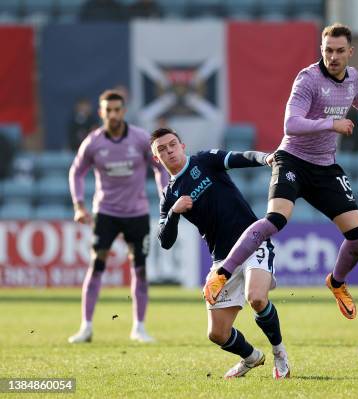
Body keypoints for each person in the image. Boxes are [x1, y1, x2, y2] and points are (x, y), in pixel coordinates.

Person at [204, 23, 358, 319]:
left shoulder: (352, 77)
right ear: (321, 50)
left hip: (325, 167)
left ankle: (336, 282)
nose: (333, 56)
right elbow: (291, 124)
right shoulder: (308, 80)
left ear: (350, 52)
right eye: (328, 50)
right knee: (275, 220)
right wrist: (331, 123)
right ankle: (222, 274)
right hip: (292, 160)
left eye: (340, 51)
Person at [150, 128, 290, 379]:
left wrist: (266, 158)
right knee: (217, 334)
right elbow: (165, 242)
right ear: (156, 159)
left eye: (172, 145)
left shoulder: (204, 161)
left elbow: (239, 157)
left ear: (182, 146)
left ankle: (280, 355)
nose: (168, 150)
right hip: (222, 259)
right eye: (161, 149)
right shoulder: (169, 196)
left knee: (256, 298)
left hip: (252, 243)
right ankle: (251, 357)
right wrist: (174, 212)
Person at [68, 90, 168, 344]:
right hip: (106, 212)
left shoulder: (140, 139)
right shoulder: (93, 142)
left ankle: (139, 327)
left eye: (117, 110)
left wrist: (165, 195)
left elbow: (160, 167)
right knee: (97, 265)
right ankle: (86, 327)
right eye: (107, 110)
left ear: (123, 111)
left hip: (136, 213)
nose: (112, 115)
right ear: (101, 113)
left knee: (141, 270)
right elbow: (76, 172)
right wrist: (79, 205)